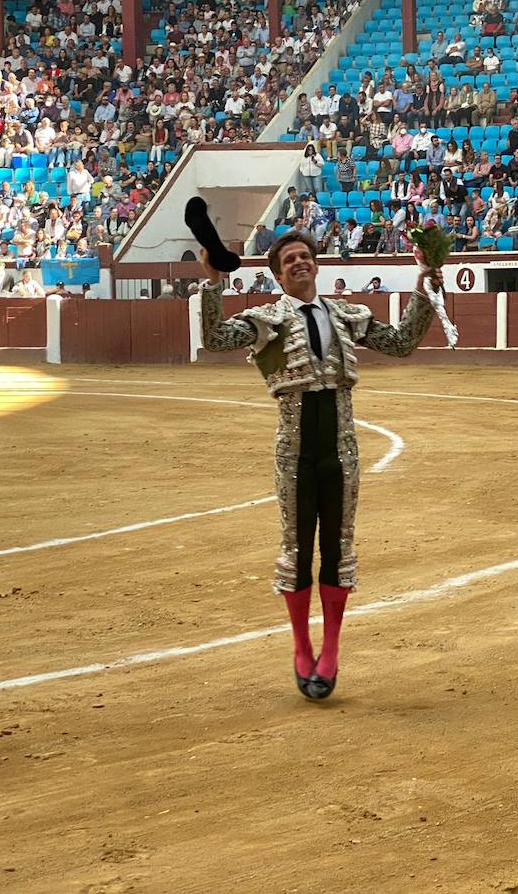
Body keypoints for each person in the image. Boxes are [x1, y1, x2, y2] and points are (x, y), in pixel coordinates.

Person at [196, 231, 439, 701]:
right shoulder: (266, 319)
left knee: (337, 547)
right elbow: (215, 338)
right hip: (294, 450)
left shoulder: (347, 315)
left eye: (306, 256)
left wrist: (426, 277)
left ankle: (330, 650)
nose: (300, 263)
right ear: (277, 272)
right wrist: (212, 283)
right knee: (296, 549)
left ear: (317, 264)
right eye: (290, 259)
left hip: (342, 450)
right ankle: (301, 647)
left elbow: (404, 341)